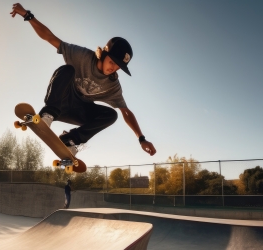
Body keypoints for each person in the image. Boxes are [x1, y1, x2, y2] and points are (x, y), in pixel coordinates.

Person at [10, 3, 157, 157]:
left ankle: (70, 140)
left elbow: (126, 112)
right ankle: (47, 115)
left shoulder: (113, 86)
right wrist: (27, 15)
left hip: (79, 113)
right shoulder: (81, 56)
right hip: (61, 102)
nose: (113, 68)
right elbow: (50, 38)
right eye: (112, 62)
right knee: (67, 70)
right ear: (104, 54)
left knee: (111, 115)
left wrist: (141, 139)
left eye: (118, 66)